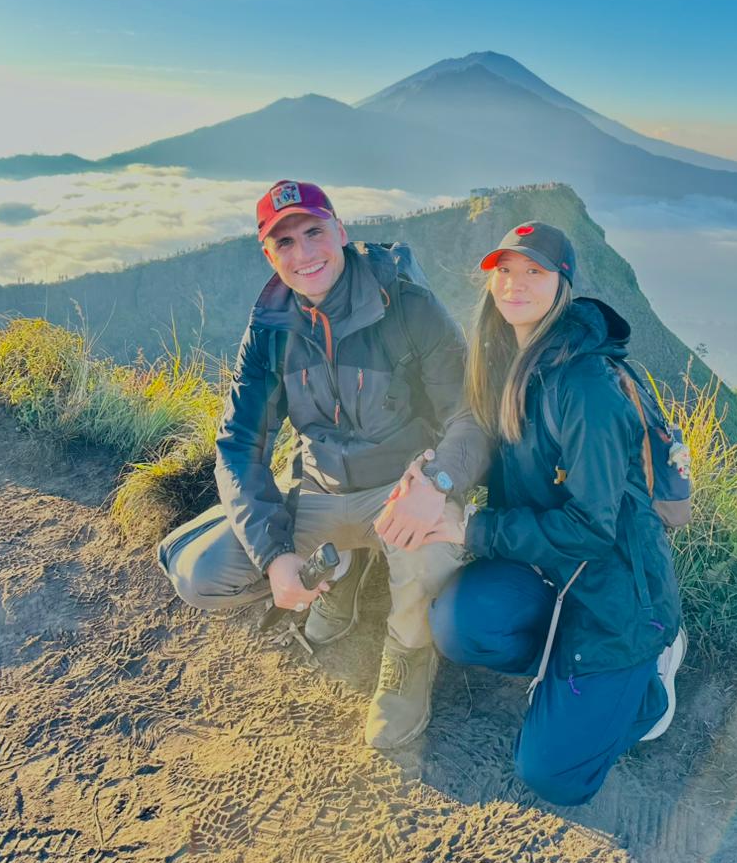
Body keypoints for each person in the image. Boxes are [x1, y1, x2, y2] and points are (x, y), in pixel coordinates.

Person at [157, 180, 489, 749]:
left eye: (314, 232)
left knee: (433, 550)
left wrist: (437, 483)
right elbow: (239, 443)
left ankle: (406, 661)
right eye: (284, 242)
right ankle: (338, 570)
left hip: (402, 489)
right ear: (269, 255)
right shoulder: (269, 331)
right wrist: (275, 553)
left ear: (341, 232)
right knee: (201, 577)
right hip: (319, 488)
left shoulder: (407, 307)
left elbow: (472, 415)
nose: (304, 253)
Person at [423, 221, 685, 805]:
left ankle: (650, 683)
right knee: (459, 624)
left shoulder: (585, 386)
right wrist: (433, 479)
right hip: (548, 568)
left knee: (552, 776)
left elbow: (594, 529)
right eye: (506, 271)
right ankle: (570, 677)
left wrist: (471, 528)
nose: (516, 284)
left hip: (614, 589)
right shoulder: (504, 361)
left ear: (562, 283)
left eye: (534, 271)